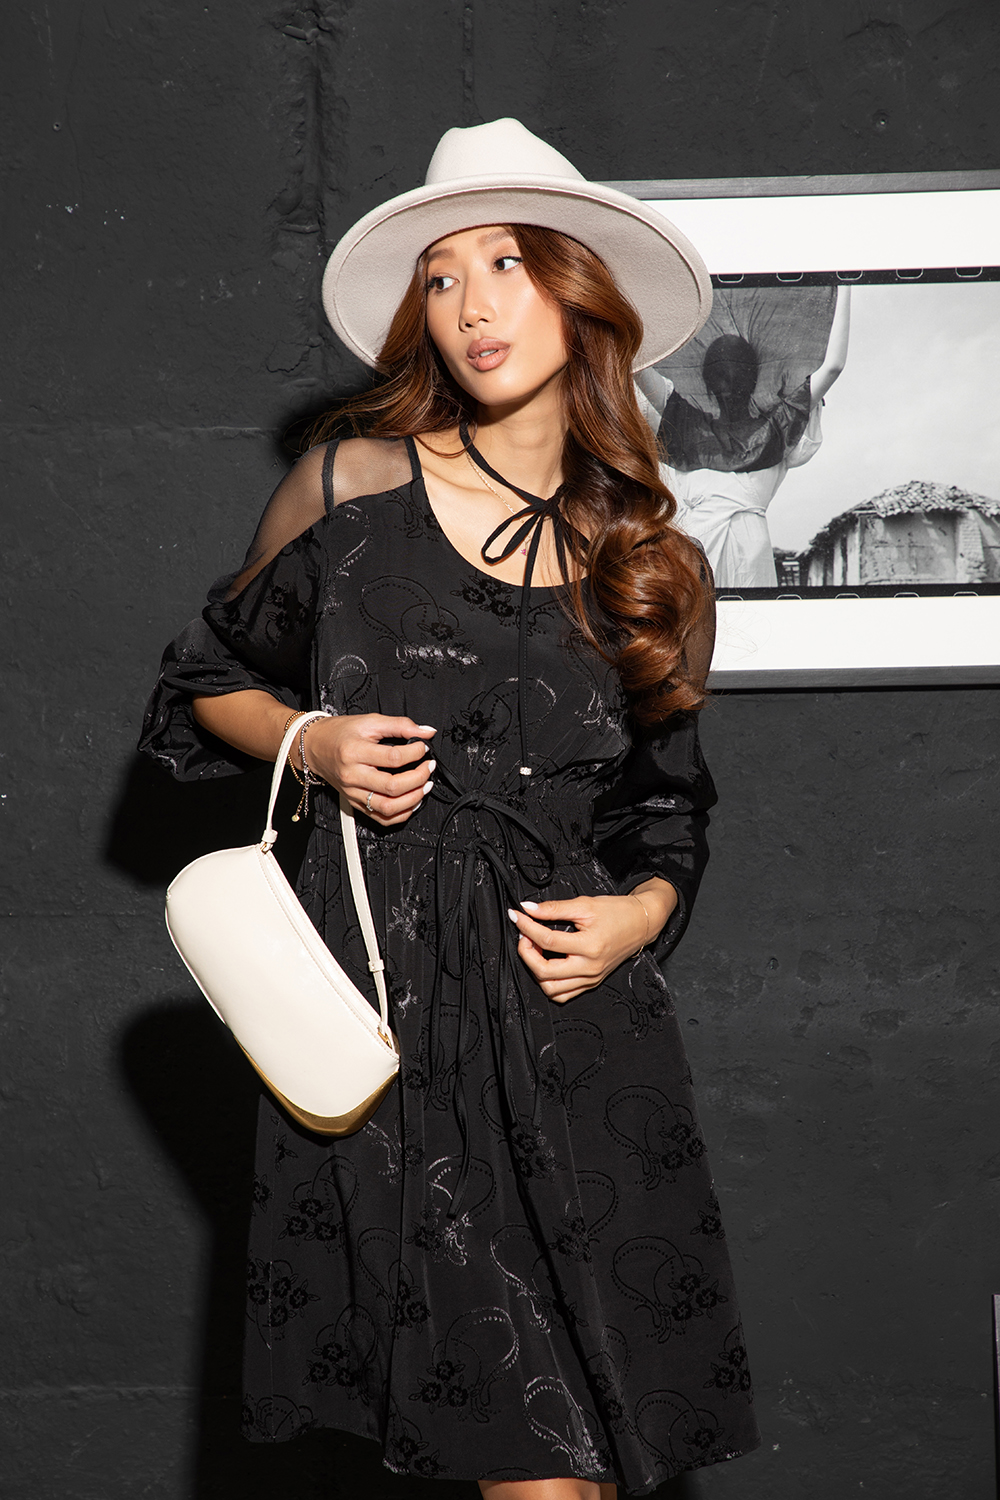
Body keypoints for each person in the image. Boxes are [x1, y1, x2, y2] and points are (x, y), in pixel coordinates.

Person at [140, 118, 760, 1498]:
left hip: (579, 1029)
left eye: (506, 265)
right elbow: (200, 682)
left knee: (587, 1463)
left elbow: (669, 808)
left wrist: (637, 919)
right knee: (530, 1460)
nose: (471, 305)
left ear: (581, 294)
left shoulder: (650, 558)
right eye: (440, 277)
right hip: (398, 1021)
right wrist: (310, 742)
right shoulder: (353, 487)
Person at [637, 284, 851, 588]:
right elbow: (638, 364)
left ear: (752, 380)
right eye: (719, 375)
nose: (728, 385)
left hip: (751, 561)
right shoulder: (689, 425)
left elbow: (833, 366)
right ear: (708, 382)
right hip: (693, 556)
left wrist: (845, 284)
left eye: (737, 375)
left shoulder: (776, 427)